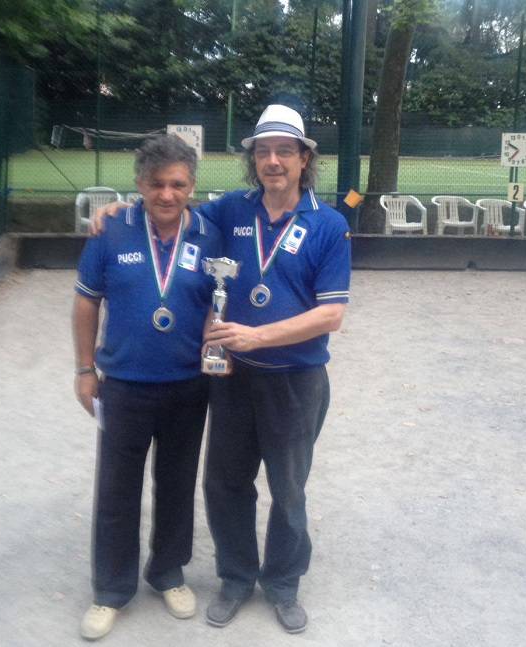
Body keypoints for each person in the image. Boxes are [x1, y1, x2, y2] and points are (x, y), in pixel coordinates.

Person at [91, 104, 351, 634]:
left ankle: (282, 583)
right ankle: (235, 577)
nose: (272, 161)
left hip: (296, 379)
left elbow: (332, 314)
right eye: (262, 151)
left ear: (305, 158)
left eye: (284, 151)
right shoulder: (231, 211)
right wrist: (120, 209)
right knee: (226, 482)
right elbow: (169, 208)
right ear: (252, 159)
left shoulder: (328, 224)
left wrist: (257, 335)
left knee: (289, 486)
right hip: (231, 377)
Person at [72, 134, 221, 641]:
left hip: (187, 385)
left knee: (177, 483)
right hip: (125, 387)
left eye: (178, 184)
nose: (167, 194)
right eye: (156, 184)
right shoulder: (111, 229)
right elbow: (86, 302)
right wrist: (83, 368)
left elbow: (217, 304)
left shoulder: (210, 233)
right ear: (139, 184)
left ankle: (168, 572)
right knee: (117, 489)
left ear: (192, 186)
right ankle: (111, 589)